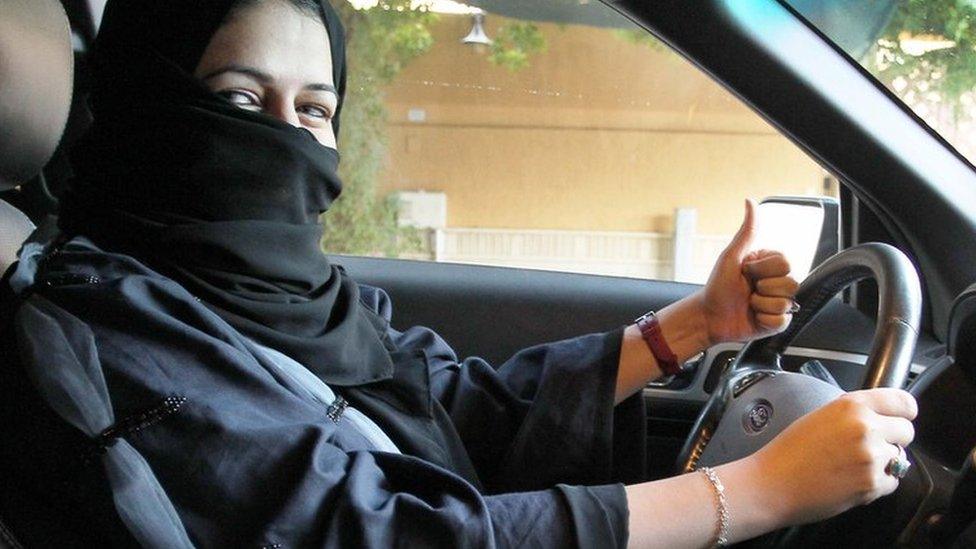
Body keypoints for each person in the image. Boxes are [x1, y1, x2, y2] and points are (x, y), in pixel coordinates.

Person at [2, 0, 918, 547]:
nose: (285, 136)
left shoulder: (298, 298)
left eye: (314, 107)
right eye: (241, 99)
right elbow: (369, 530)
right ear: (145, 105)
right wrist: (753, 493)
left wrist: (693, 328)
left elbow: (446, 401)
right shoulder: (107, 325)